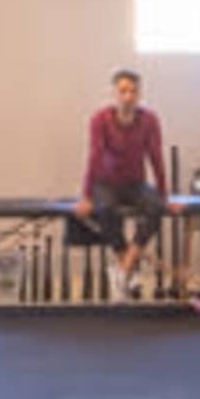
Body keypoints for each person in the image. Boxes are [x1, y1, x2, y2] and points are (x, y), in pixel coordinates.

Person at [81, 67, 171, 294]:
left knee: (156, 207)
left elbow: (156, 157)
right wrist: (86, 196)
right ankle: (129, 270)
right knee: (105, 210)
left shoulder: (149, 120)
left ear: (139, 94)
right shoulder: (100, 119)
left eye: (133, 91)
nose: (128, 96)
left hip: (135, 184)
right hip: (105, 183)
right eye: (123, 91)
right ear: (115, 93)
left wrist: (163, 194)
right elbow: (95, 157)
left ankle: (124, 267)